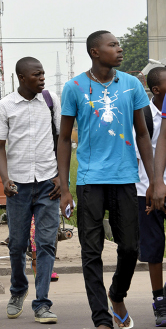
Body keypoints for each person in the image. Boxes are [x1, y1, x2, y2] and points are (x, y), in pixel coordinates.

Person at [58, 30, 154, 329]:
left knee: (129, 248)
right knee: (91, 251)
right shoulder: (74, 87)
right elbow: (63, 139)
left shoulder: (130, 84)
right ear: (95, 52)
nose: (120, 48)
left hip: (125, 177)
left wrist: (154, 181)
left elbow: (142, 134)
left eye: (118, 44)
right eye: (113, 45)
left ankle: (117, 294)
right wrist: (64, 186)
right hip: (89, 179)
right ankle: (101, 320)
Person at [0, 57, 61, 324]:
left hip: (48, 184)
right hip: (18, 186)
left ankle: (42, 303)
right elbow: (0, 147)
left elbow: (61, 140)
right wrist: (4, 178)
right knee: (18, 244)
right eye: (37, 74)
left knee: (46, 244)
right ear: (22, 77)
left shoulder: (51, 100)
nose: (42, 78)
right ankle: (18, 290)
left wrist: (60, 177)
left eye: (43, 73)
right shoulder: (5, 106)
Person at [135, 67, 166, 327]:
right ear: (156, 90)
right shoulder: (143, 115)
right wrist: (153, 184)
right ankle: (159, 301)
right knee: (154, 248)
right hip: (147, 190)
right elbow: (140, 154)